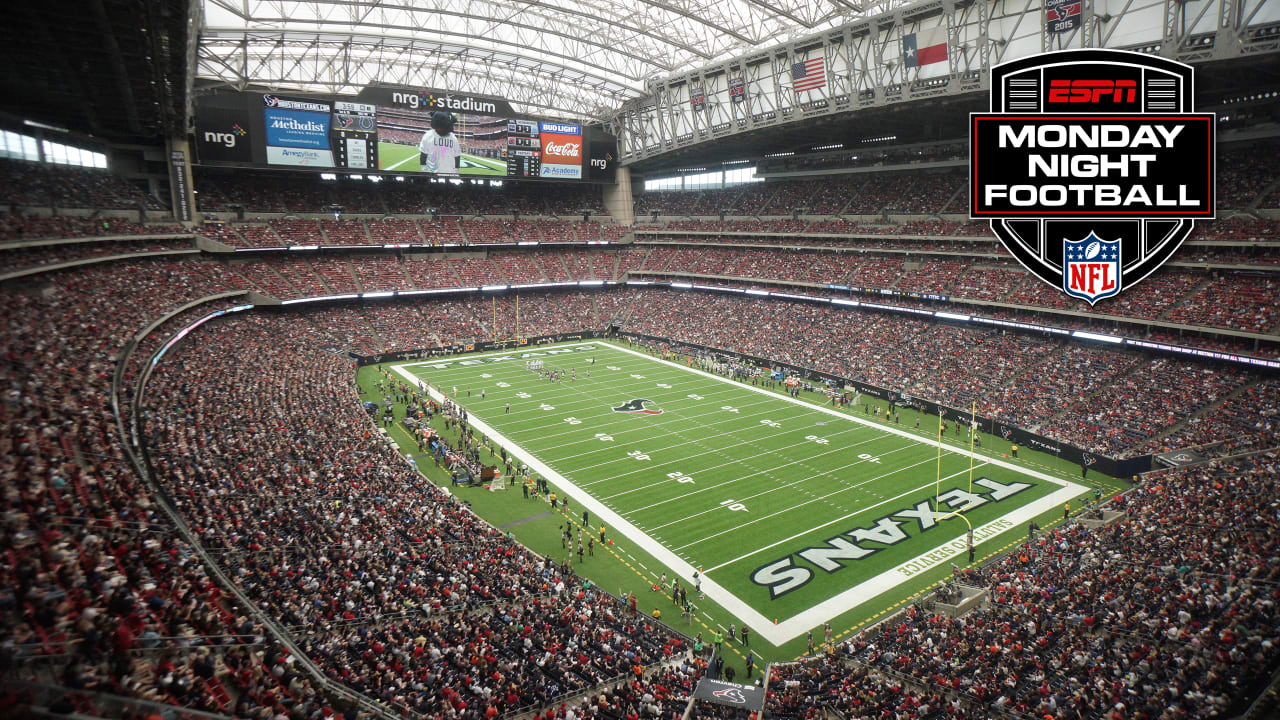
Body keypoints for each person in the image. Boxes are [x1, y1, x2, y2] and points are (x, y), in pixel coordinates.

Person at [418, 111, 461, 175]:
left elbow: (457, 156)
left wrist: (456, 172)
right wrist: (425, 171)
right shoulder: (428, 135)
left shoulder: (453, 138)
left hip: (449, 174)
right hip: (432, 173)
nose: (440, 129)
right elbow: (423, 155)